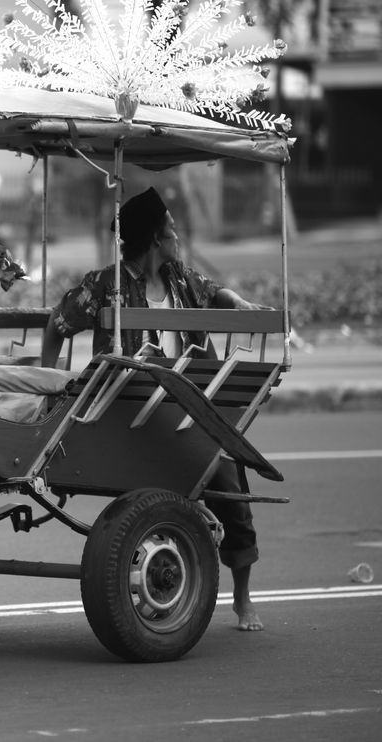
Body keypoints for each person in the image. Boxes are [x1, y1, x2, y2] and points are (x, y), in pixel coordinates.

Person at [40, 185, 270, 632]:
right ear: (154, 239)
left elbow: (214, 291)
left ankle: (242, 596)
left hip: (189, 416)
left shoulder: (182, 280)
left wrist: (238, 303)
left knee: (232, 491)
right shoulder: (107, 285)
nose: (178, 236)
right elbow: (58, 323)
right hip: (124, 415)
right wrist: (48, 383)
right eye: (171, 229)